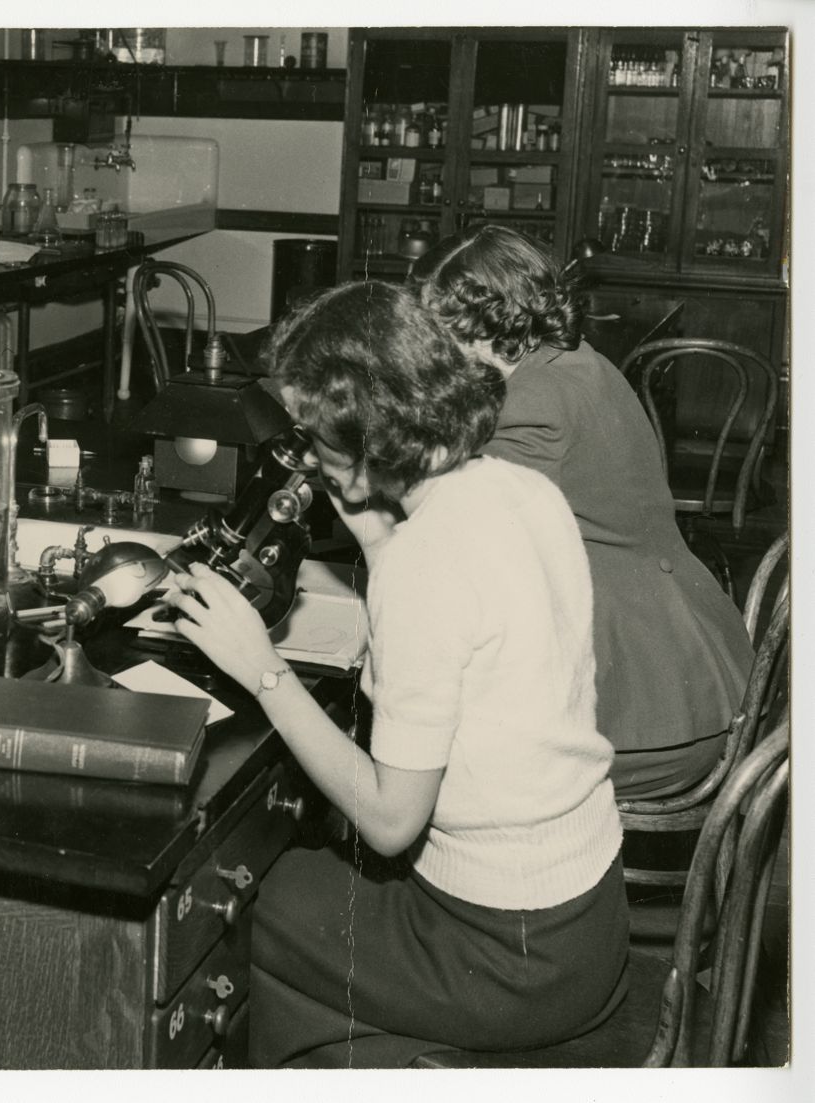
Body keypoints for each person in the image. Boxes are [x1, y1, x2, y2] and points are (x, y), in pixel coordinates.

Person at [164, 282, 628, 1066]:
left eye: (314, 432)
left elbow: (389, 820)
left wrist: (262, 667)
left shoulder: (427, 561)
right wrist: (380, 543)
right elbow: (481, 663)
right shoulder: (522, 488)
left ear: (367, 428)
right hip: (585, 916)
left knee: (227, 901)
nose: (306, 451)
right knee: (298, 886)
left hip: (508, 954)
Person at [410, 224, 753, 800]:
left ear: (495, 322)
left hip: (650, 717)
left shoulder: (534, 403)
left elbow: (459, 529)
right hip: (687, 667)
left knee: (438, 762)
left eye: (443, 334)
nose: (436, 353)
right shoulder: (574, 361)